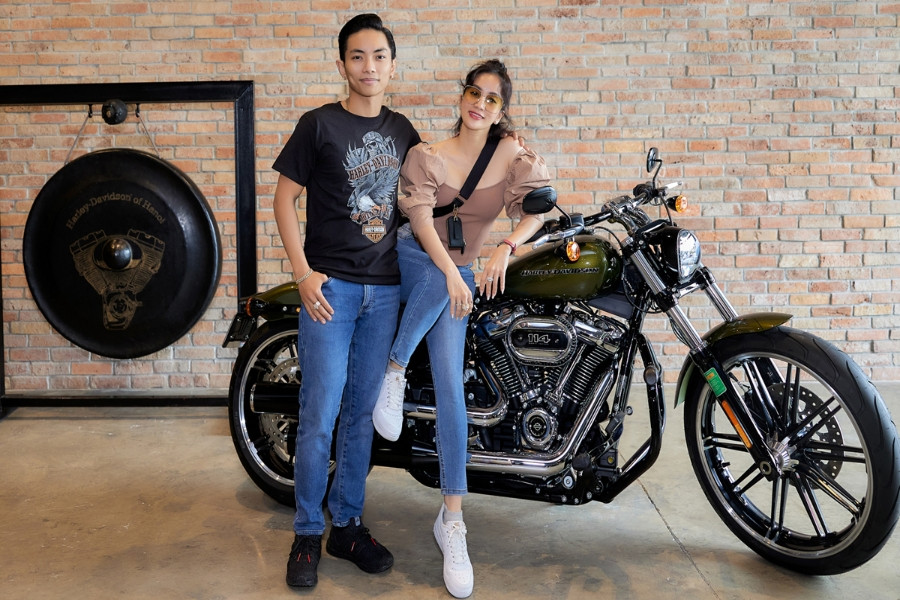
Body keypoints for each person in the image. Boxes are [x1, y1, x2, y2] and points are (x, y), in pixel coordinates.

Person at [371, 59, 550, 598]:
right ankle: (395, 368)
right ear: (463, 96)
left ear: (501, 109)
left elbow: (537, 210)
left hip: (460, 273)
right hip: (418, 260)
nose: (480, 103)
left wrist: (506, 246)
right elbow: (419, 222)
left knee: (452, 387)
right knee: (446, 276)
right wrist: (455, 274)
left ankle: (451, 520)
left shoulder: (511, 155)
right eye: (474, 92)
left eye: (492, 99)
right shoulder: (430, 154)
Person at [271, 13, 421, 589]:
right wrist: (303, 274)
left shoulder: (403, 130)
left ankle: (347, 526)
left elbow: (433, 190)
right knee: (319, 415)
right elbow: (283, 200)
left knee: (360, 417)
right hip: (330, 292)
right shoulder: (318, 125)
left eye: (379, 56)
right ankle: (309, 530)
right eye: (358, 56)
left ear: (392, 66)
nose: (369, 66)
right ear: (342, 65)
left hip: (385, 293)